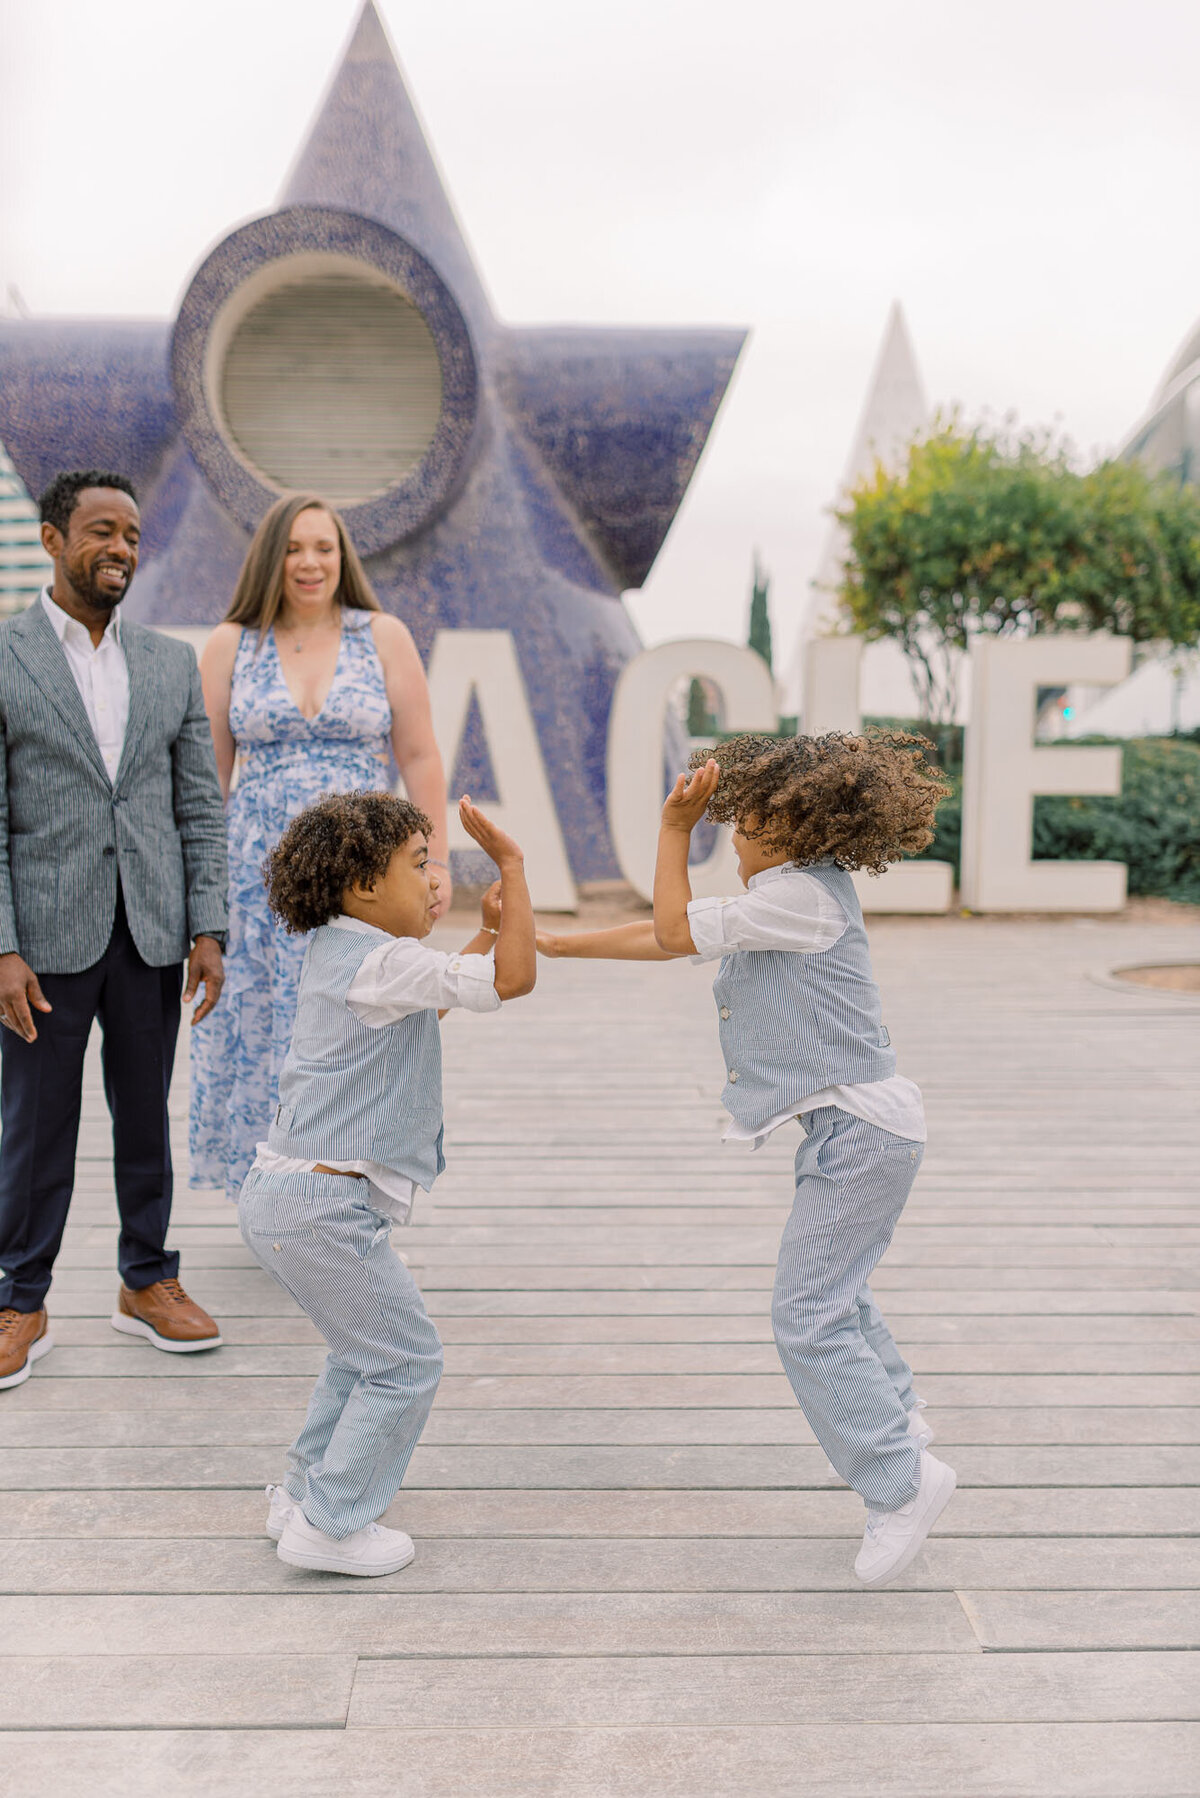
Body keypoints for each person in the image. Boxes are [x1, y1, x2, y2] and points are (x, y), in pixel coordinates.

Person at [537, 731, 957, 1589]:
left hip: (862, 1134)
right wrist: (557, 945)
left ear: (795, 828)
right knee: (838, 1293)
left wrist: (670, 831)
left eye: (744, 822)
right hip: (856, 1133)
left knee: (806, 1313)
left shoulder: (800, 897)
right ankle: (903, 1418)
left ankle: (901, 1482)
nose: (730, 836)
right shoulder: (791, 895)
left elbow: (669, 923)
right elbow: (668, 939)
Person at [239, 787, 534, 1576]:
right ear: (366, 888)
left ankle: (304, 1494)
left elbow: (430, 1001)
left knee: (357, 1352)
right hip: (320, 1210)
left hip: (289, 1200)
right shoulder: (381, 956)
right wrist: (510, 867)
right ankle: (332, 1525)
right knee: (405, 1360)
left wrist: (483, 929)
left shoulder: (349, 951)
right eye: (419, 866)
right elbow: (512, 983)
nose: (435, 880)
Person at [0, 470, 228, 1390]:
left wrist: (207, 925)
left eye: (132, 535)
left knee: (146, 1116)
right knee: (34, 1125)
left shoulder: (170, 663)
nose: (121, 549)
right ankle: (20, 1296)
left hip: (151, 932)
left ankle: (149, 1280)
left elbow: (199, 807)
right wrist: (3, 946)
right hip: (44, 941)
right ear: (54, 540)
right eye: (101, 532)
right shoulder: (6, 654)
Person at [191, 494, 451, 1201]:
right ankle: (273, 1190)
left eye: (324, 548)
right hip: (255, 882)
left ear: (343, 558)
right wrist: (201, 900)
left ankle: (353, 1180)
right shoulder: (230, 644)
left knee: (356, 1017)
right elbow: (207, 782)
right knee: (264, 1023)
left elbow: (421, 756)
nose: (310, 562)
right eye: (295, 548)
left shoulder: (383, 636)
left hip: (364, 879)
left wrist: (438, 861)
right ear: (270, 556)